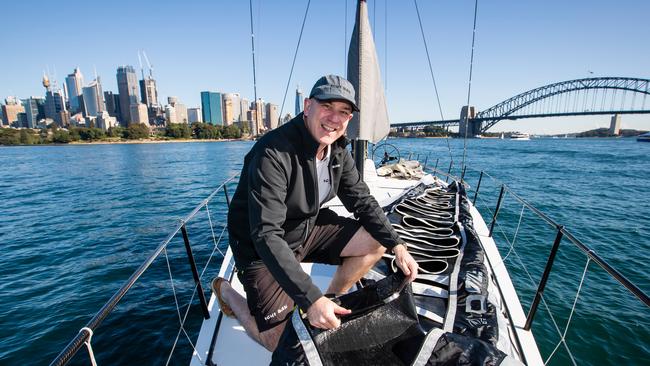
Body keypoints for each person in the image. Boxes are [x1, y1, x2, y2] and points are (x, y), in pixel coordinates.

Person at [212, 75, 418, 351]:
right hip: (258, 247)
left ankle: (333, 297)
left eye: (344, 112)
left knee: (376, 241)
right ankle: (228, 293)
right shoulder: (273, 153)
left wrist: (398, 244)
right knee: (279, 342)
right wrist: (310, 298)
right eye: (327, 106)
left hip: (304, 230)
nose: (335, 118)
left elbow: (362, 201)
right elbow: (266, 234)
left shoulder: (337, 150)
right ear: (307, 106)